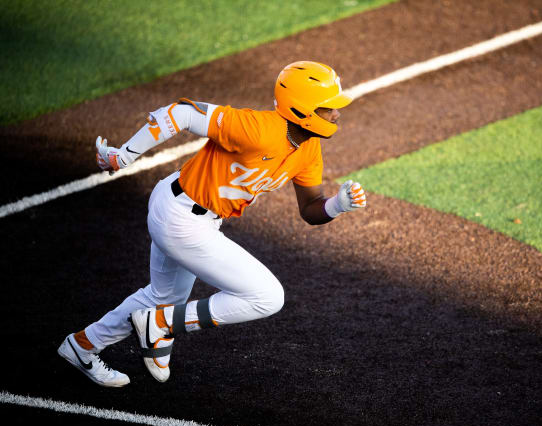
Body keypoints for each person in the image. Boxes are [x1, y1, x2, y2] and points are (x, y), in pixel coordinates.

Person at [57, 61, 366, 387]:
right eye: (329, 107)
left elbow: (310, 208)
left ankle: (82, 346)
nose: (337, 114)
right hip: (181, 219)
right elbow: (183, 112)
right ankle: (161, 325)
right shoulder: (257, 128)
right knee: (267, 296)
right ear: (304, 110)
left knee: (160, 298)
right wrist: (125, 154)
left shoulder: (308, 147)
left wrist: (337, 205)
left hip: (188, 212)